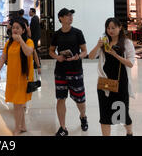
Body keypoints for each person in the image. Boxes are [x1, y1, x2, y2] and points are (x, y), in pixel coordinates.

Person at [88, 17, 135, 136]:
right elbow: (91, 57)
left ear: (120, 28)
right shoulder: (104, 42)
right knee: (105, 114)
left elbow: (130, 63)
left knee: (122, 113)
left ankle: (129, 132)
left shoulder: (126, 43)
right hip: (105, 83)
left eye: (113, 28)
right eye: (108, 28)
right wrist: (98, 46)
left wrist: (115, 55)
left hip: (121, 83)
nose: (110, 30)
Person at [49, 8, 88, 136]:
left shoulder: (77, 33)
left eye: (71, 15)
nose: (70, 17)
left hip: (75, 70)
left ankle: (83, 116)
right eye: (67, 15)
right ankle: (63, 127)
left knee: (79, 99)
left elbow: (84, 51)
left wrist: (78, 56)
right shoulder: (56, 34)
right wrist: (57, 57)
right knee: (61, 98)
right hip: (60, 71)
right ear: (60, 18)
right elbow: (51, 51)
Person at [0, 19, 35, 135]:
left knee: (18, 104)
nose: (15, 30)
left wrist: (21, 40)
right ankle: (23, 126)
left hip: (24, 78)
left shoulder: (29, 42)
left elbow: (28, 52)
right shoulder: (9, 43)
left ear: (23, 30)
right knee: (19, 103)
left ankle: (17, 128)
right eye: (13, 28)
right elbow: (3, 57)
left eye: (18, 28)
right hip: (12, 77)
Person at [29, 8, 42, 74]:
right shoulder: (35, 18)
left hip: (35, 36)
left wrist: (30, 36)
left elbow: (33, 29)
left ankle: (37, 63)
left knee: (35, 49)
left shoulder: (34, 18)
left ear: (33, 12)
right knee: (35, 49)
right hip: (36, 36)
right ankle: (36, 63)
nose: (29, 13)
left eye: (30, 12)